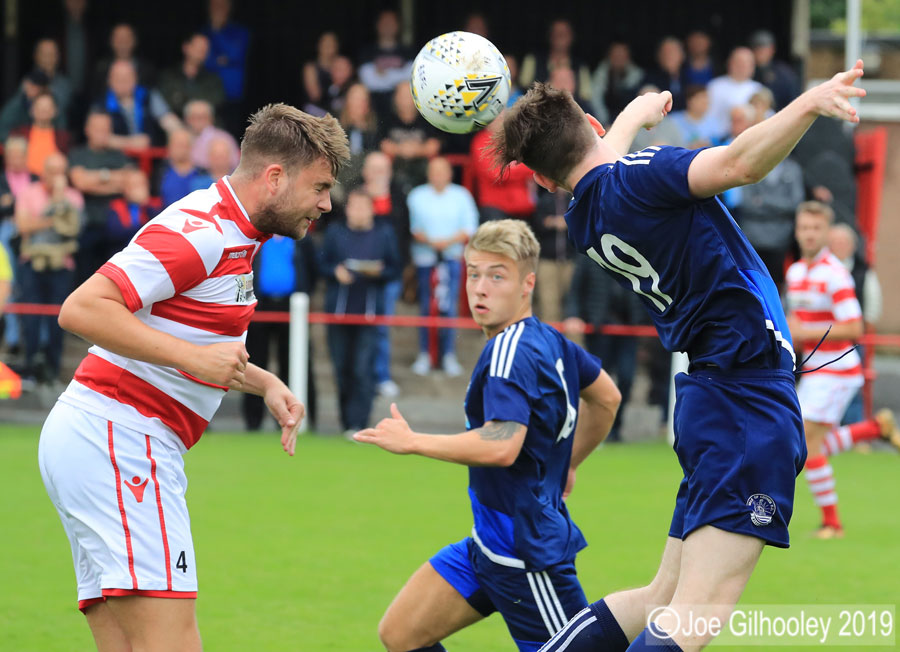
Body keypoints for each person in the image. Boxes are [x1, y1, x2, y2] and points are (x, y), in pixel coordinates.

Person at [492, 59, 866, 650]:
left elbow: (594, 160)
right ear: (591, 121)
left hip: (710, 398)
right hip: (747, 398)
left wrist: (635, 114)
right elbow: (740, 162)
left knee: (661, 596)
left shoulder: (583, 215)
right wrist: (807, 105)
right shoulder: (641, 174)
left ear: (541, 180)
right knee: (696, 612)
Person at [38, 103, 349, 651]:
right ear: (274, 178)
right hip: (121, 440)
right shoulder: (201, 231)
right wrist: (189, 357)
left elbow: (203, 346)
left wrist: (266, 383)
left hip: (102, 439)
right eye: (320, 186)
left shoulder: (237, 232)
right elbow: (82, 309)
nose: (326, 203)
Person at [355, 218, 621, 652]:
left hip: (526, 556)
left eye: (497, 276)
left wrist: (414, 441)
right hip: (488, 545)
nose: (479, 288)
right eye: (474, 273)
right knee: (401, 633)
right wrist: (568, 462)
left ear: (527, 284)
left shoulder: (508, 354)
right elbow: (607, 398)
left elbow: (503, 443)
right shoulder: (551, 341)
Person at [785, 201, 899, 539]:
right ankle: (874, 428)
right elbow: (800, 321)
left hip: (837, 369)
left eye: (815, 228)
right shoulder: (795, 273)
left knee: (806, 442)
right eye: (804, 227)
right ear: (797, 231)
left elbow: (854, 328)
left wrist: (804, 333)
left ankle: (832, 524)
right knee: (809, 442)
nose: (808, 234)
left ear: (826, 233)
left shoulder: (835, 274)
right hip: (815, 369)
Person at [320, 188, 401, 435]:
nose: (357, 211)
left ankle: (360, 422)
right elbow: (321, 263)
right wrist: (335, 272)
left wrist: (377, 272)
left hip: (368, 313)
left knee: (363, 369)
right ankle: (346, 422)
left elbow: (394, 268)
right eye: (353, 206)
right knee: (341, 369)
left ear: (372, 209)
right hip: (338, 313)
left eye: (363, 206)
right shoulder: (335, 232)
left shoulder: (384, 233)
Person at [14, 152, 83, 384]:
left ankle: (52, 370)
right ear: (43, 171)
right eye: (52, 171)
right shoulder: (29, 193)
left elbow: (72, 230)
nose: (56, 176)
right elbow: (23, 226)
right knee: (30, 318)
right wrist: (56, 213)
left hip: (62, 264)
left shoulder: (73, 197)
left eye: (60, 171)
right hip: (32, 263)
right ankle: (30, 368)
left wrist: (59, 201)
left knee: (59, 317)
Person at [407, 157, 478, 377]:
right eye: (434, 171)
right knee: (427, 307)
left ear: (449, 173)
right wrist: (431, 242)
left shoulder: (461, 195)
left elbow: (470, 226)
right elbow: (412, 227)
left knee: (449, 307)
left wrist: (445, 243)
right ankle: (425, 354)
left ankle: (448, 354)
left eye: (442, 171)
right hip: (425, 260)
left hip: (451, 258)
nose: (438, 176)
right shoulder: (416, 195)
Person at [563, 252, 645, 442]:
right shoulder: (588, 254)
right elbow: (575, 290)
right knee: (597, 382)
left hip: (628, 329)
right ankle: (593, 431)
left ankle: (615, 428)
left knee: (626, 377)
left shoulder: (636, 252)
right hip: (599, 330)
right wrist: (573, 315)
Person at [359, 152, 409, 399]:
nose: (378, 174)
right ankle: (362, 375)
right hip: (358, 275)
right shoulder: (357, 195)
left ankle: (382, 376)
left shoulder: (398, 196)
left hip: (388, 275)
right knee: (359, 328)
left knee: (381, 328)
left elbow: (402, 233)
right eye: (374, 168)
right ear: (365, 171)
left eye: (383, 169)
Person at [68, 110, 133, 282]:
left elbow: (129, 182)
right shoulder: (78, 154)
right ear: (87, 129)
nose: (101, 133)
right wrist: (111, 178)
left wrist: (93, 180)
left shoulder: (119, 156)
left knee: (117, 278)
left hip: (117, 225)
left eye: (106, 129)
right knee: (85, 278)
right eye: (97, 129)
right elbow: (80, 183)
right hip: (87, 224)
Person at [96, 59, 181, 150]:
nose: (123, 81)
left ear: (135, 78)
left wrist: (181, 135)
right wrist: (131, 143)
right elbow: (99, 138)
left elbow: (170, 122)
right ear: (109, 80)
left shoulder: (147, 95)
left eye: (127, 77)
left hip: (151, 159)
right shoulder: (102, 103)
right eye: (118, 77)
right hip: (116, 160)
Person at [202, 0, 251, 136]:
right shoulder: (204, 32)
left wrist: (217, 30)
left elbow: (236, 54)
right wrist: (220, 60)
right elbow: (204, 60)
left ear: (229, 8)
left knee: (231, 134)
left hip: (231, 93)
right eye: (215, 6)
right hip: (207, 92)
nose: (218, 10)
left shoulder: (240, 32)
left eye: (222, 6)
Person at [357, 9, 414, 119]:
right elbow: (369, 81)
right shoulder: (367, 52)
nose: (388, 25)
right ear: (377, 25)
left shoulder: (408, 52)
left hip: (403, 109)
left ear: (398, 25)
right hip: (373, 108)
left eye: (391, 22)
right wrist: (399, 77)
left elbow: (411, 79)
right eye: (385, 22)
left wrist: (383, 75)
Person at [158, 33, 225, 119]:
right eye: (198, 47)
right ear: (185, 47)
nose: (202, 52)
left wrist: (184, 100)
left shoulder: (214, 79)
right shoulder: (168, 75)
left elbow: (216, 103)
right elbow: (167, 103)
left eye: (205, 49)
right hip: (177, 125)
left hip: (205, 127)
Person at [705, 46, 763, 138]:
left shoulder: (758, 89)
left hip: (750, 139)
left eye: (746, 63)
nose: (742, 67)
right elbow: (708, 117)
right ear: (730, 63)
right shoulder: (715, 86)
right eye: (739, 63)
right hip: (720, 140)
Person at [11, 92, 71, 175]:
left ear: (55, 111)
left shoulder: (63, 138)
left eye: (47, 107)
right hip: (24, 182)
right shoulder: (19, 133)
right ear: (32, 110)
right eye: (40, 106)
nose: (43, 110)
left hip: (52, 183)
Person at [105, 169, 161, 252]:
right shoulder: (117, 206)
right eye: (134, 185)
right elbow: (114, 235)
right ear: (125, 189)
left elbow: (159, 230)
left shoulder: (155, 205)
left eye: (142, 185)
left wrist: (146, 204)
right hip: (123, 254)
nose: (139, 190)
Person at [590, 40, 643, 127]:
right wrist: (604, 121)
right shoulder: (601, 73)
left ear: (628, 57)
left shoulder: (638, 76)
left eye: (622, 56)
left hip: (632, 122)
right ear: (609, 57)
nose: (618, 59)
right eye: (615, 55)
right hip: (606, 121)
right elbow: (595, 99)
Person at [158, 127, 213, 207]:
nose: (180, 149)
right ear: (169, 146)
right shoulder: (160, 172)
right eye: (177, 145)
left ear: (191, 147)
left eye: (183, 145)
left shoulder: (203, 173)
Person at [185, 98, 240, 172]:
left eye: (202, 117)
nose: (198, 121)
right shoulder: (182, 138)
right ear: (187, 119)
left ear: (211, 118)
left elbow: (235, 164)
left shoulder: (224, 138)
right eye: (193, 117)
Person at [749, 30, 799, 111]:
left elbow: (793, 100)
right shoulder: (746, 71)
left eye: (763, 49)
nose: (760, 52)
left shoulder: (784, 73)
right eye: (757, 49)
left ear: (772, 49)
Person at [641, 37, 688, 112]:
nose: (669, 56)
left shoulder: (689, 75)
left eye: (673, 52)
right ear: (658, 56)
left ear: (683, 55)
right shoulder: (650, 79)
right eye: (665, 53)